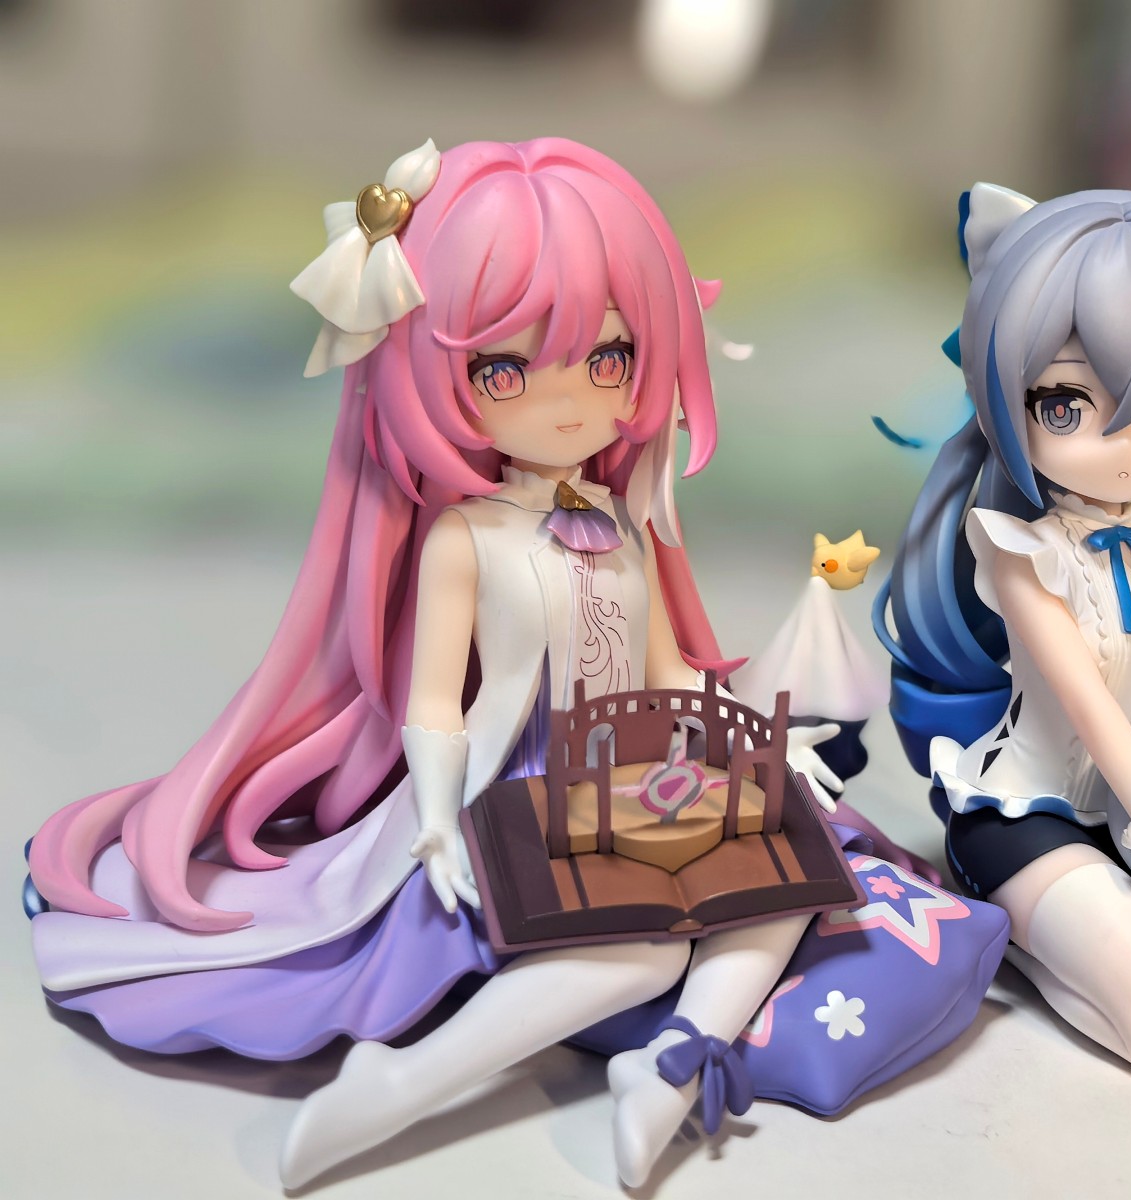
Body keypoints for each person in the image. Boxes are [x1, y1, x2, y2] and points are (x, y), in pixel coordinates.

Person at [26, 137, 869, 1188]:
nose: (568, 401)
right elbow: (435, 698)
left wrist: (755, 747)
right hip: (516, 783)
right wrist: (432, 816)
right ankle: (405, 1085)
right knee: (645, 944)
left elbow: (666, 672)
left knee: (782, 875)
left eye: (608, 358)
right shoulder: (465, 537)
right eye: (506, 370)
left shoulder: (628, 524)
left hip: (635, 774)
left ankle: (675, 1061)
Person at [879, 186, 1131, 1077]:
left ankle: (1110, 930)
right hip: (1030, 815)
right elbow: (1088, 705)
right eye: (1066, 403)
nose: (1125, 444)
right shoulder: (1021, 552)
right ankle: (1011, 936)